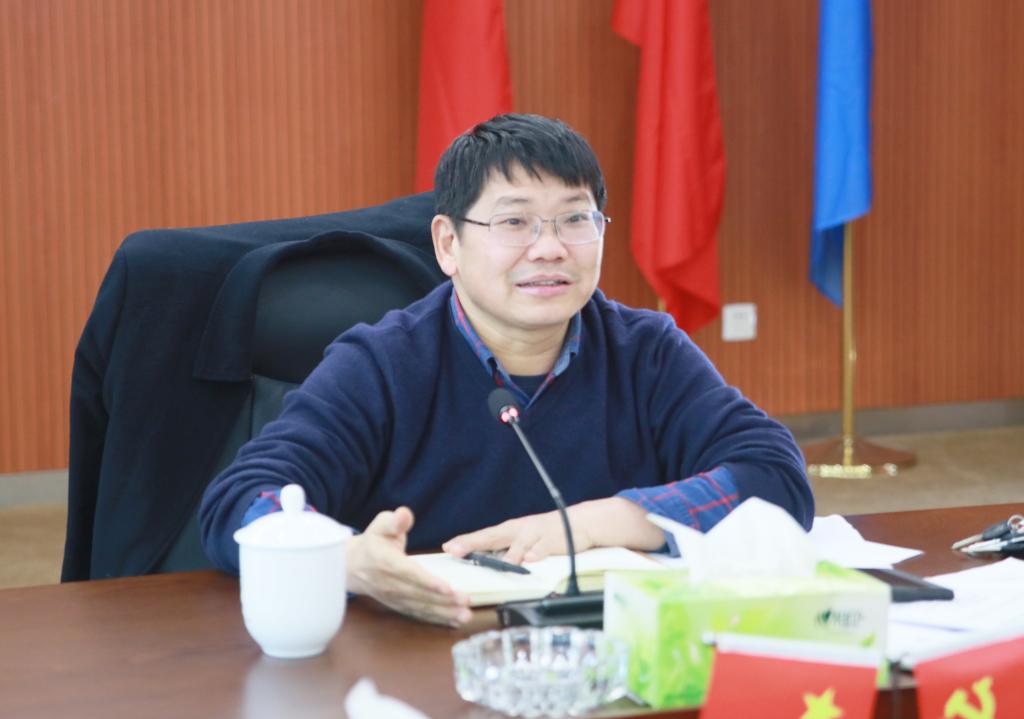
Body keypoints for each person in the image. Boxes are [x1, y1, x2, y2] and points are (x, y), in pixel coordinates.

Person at [199, 113, 813, 626]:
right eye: (515, 222)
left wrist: (600, 522)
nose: (549, 248)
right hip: (422, 657)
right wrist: (344, 560)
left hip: (606, 653)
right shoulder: (382, 363)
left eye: (575, 219)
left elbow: (775, 478)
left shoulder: (647, 351)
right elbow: (241, 499)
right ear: (448, 244)